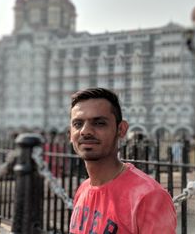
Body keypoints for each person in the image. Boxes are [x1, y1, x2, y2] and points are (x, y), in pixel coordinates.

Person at [68, 88, 176, 234]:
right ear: (70, 134)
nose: (85, 131)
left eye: (99, 123)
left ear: (121, 129)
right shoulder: (83, 189)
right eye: (78, 124)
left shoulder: (148, 197)